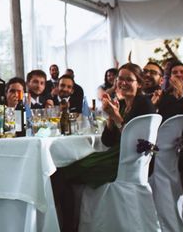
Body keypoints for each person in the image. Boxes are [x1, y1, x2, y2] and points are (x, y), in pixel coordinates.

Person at [53, 63, 155, 231]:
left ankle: (68, 227)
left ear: (140, 83)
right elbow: (107, 141)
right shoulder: (123, 103)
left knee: (62, 173)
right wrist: (110, 117)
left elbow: (135, 143)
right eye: (120, 79)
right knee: (61, 169)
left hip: (127, 162)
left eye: (129, 79)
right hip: (115, 155)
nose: (123, 83)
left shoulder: (144, 105)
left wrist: (116, 117)